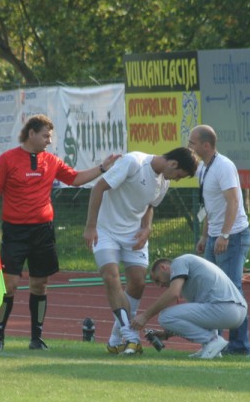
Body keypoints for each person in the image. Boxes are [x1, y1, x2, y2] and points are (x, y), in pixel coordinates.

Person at [0, 114, 119, 351]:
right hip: (15, 231)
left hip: (43, 232)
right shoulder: (7, 160)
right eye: (46, 135)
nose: (49, 140)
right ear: (31, 134)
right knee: (9, 283)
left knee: (40, 285)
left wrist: (101, 168)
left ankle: (36, 339)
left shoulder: (51, 161)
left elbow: (75, 179)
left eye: (50, 136)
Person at [83, 147, 199, 355]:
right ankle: (131, 337)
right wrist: (91, 226)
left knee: (137, 282)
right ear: (173, 164)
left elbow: (150, 206)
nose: (178, 179)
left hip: (133, 235)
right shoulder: (133, 162)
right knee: (112, 277)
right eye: (179, 175)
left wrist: (147, 228)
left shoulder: (164, 181)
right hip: (105, 231)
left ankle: (115, 339)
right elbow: (98, 187)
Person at [187, 124, 250, 356]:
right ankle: (214, 343)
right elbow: (210, 206)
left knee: (232, 292)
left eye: (192, 142)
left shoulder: (223, 166)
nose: (189, 146)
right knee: (210, 290)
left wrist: (224, 234)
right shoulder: (204, 168)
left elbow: (234, 201)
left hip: (232, 236)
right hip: (215, 235)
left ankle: (240, 347)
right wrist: (206, 235)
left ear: (206, 145)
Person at [130, 254, 247, 360]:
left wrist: (145, 316)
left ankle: (212, 341)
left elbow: (173, 293)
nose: (160, 285)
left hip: (226, 308)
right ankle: (211, 348)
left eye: (157, 279)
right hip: (236, 310)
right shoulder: (187, 281)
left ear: (163, 267)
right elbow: (196, 318)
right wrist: (166, 334)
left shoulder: (179, 262)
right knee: (199, 309)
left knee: (165, 316)